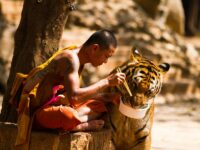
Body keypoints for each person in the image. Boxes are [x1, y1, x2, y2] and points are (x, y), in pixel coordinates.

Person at [19, 29, 126, 132]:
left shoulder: (79, 60)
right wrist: (106, 82)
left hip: (59, 105)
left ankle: (75, 121)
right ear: (95, 48)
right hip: (39, 114)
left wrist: (108, 97)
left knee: (99, 106)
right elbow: (75, 97)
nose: (106, 61)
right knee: (68, 115)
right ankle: (78, 126)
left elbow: (71, 95)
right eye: (106, 56)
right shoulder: (70, 59)